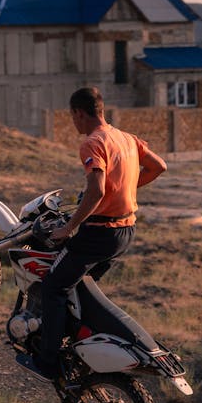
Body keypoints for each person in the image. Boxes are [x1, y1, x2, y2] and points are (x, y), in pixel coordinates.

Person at [16, 86, 167, 382]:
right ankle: (77, 342)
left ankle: (49, 362)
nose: (72, 122)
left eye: (72, 116)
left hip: (98, 234)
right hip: (126, 231)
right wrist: (123, 190)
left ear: (79, 113)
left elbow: (97, 189)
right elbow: (159, 166)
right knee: (78, 288)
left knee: (53, 288)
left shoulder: (92, 143)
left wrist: (69, 227)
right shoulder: (125, 138)